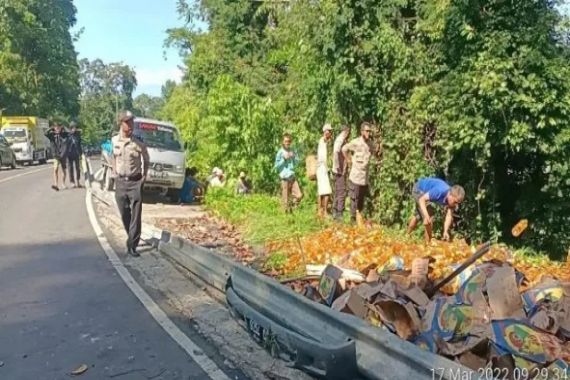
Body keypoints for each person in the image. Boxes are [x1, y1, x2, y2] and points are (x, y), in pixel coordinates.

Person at [112, 111, 150, 257]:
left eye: (131, 122)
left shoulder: (138, 141)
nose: (130, 125)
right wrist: (114, 173)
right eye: (127, 122)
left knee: (136, 215)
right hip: (121, 182)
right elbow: (113, 157)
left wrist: (144, 176)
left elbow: (146, 158)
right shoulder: (114, 140)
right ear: (121, 124)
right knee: (124, 213)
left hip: (135, 182)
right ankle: (131, 236)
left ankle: (132, 245)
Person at [407, 177, 465, 243]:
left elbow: (449, 216)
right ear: (450, 195)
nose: (456, 205)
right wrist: (426, 216)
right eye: (455, 202)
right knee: (429, 216)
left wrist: (445, 231)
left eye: (458, 203)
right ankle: (428, 244)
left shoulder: (451, 199)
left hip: (425, 194)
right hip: (419, 189)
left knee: (418, 215)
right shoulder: (440, 191)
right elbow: (421, 199)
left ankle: (406, 236)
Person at [342, 122, 375, 224]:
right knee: (354, 200)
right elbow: (344, 149)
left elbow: (375, 152)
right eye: (367, 131)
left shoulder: (370, 144)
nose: (368, 133)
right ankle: (352, 222)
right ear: (362, 132)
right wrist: (348, 160)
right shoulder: (356, 142)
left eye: (369, 131)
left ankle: (359, 222)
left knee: (361, 203)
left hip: (364, 179)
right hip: (355, 178)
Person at [275, 133, 302, 212]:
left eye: (289, 141)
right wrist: (284, 159)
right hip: (284, 178)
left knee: (299, 195)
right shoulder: (280, 152)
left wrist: (294, 157)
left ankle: (292, 206)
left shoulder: (293, 151)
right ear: (283, 142)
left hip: (292, 177)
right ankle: (286, 218)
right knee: (285, 202)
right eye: (286, 141)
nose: (287, 143)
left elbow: (297, 163)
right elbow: (276, 166)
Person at [332, 125, 351, 220]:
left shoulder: (341, 139)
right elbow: (336, 152)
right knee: (341, 191)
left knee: (337, 190)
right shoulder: (340, 139)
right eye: (348, 132)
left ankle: (335, 211)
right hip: (339, 171)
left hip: (338, 170)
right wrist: (338, 166)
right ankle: (339, 213)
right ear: (346, 131)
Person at [45, 123, 69, 191]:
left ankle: (63, 183)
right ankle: (56, 184)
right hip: (56, 155)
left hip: (63, 154)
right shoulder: (52, 135)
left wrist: (63, 127)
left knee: (64, 170)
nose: (57, 129)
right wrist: (51, 128)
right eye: (56, 127)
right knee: (55, 169)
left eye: (58, 127)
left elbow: (69, 132)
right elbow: (45, 133)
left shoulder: (64, 135)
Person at [316, 124, 333, 218]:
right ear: (325, 131)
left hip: (322, 168)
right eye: (328, 131)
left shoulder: (325, 142)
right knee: (326, 191)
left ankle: (321, 211)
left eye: (330, 131)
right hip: (322, 168)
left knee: (322, 191)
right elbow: (323, 158)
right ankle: (324, 212)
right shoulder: (322, 141)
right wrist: (327, 168)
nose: (330, 133)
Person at [67, 121, 83, 188]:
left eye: (75, 128)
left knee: (78, 168)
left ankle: (78, 181)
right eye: (73, 128)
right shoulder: (67, 135)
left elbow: (79, 145)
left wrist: (81, 153)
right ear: (70, 128)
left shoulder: (78, 135)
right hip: (69, 153)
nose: (74, 129)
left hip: (76, 153)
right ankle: (72, 182)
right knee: (70, 168)